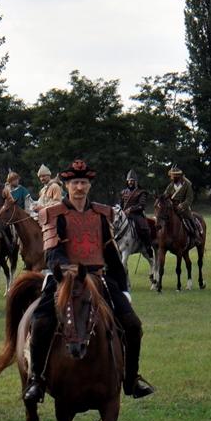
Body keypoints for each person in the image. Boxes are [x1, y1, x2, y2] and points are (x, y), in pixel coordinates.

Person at [23, 159, 154, 404]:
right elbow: (51, 253)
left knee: (133, 325)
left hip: (97, 277)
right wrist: (68, 269)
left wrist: (122, 288)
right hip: (62, 278)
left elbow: (111, 254)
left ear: (89, 186)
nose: (79, 188)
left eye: (83, 183)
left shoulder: (101, 214)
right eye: (75, 183)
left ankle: (131, 379)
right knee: (40, 322)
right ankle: (37, 380)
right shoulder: (54, 214)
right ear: (67, 185)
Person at [163, 166, 199, 244]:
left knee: (190, 218)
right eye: (172, 175)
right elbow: (165, 195)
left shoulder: (187, 185)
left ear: (178, 176)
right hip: (171, 207)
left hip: (183, 208)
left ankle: (195, 236)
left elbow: (189, 198)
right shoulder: (170, 186)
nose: (173, 177)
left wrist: (182, 205)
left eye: (174, 175)